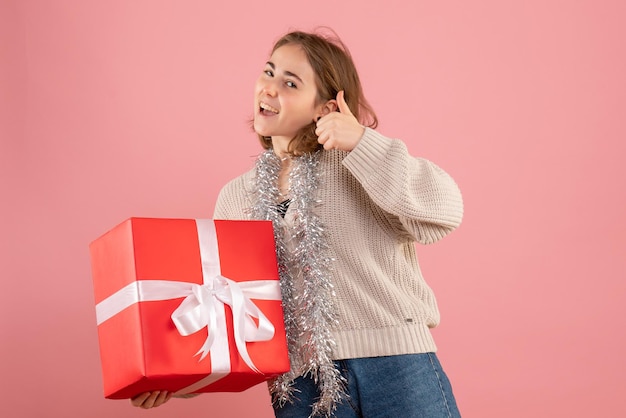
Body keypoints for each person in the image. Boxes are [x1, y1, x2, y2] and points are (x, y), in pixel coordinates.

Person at [131, 29, 464, 418]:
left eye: (290, 83)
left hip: (396, 367)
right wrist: (175, 378)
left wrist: (362, 142)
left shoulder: (357, 163)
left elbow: (444, 210)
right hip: (300, 387)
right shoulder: (236, 198)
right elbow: (228, 310)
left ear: (324, 108)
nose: (269, 89)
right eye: (268, 73)